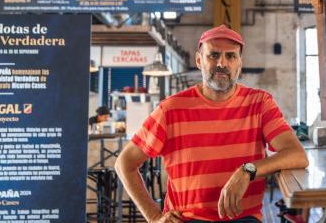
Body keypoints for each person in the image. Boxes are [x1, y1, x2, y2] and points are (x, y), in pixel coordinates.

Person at [115, 25, 308, 223]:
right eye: (213, 55)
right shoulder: (170, 110)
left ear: (239, 63)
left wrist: (247, 170)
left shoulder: (259, 104)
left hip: (243, 219)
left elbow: (297, 154)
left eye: (231, 56)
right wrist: (154, 217)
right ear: (199, 60)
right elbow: (124, 164)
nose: (222, 63)